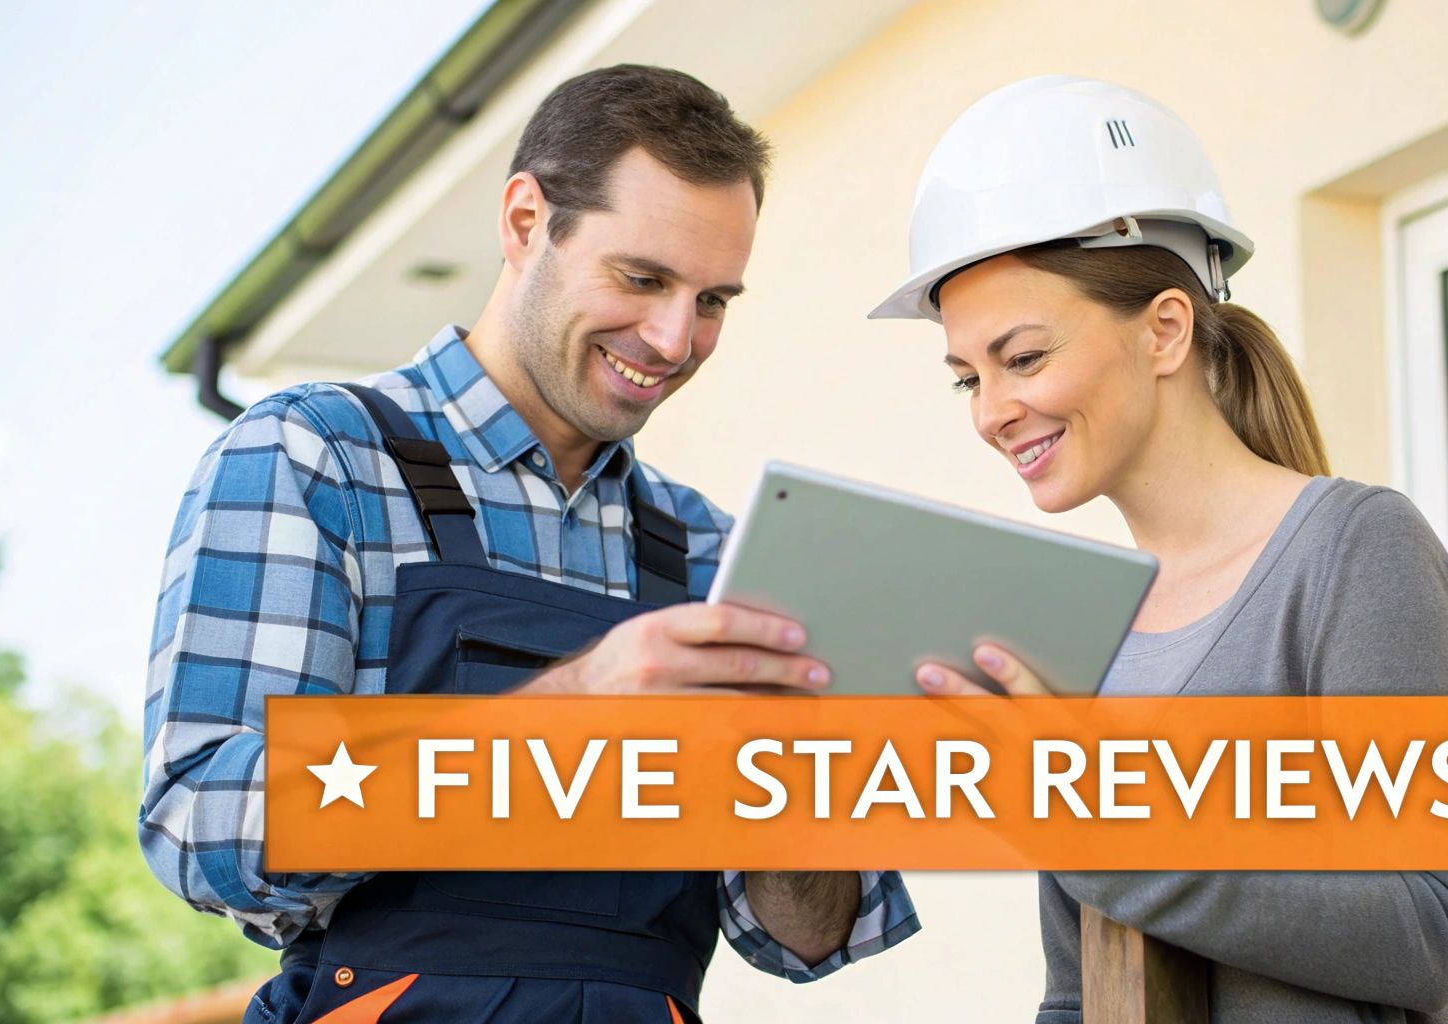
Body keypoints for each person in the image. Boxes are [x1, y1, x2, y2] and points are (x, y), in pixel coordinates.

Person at [142, 64, 916, 1024]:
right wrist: (567, 709)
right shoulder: (320, 457)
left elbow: (803, 936)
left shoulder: (710, 551)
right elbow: (200, 826)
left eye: (713, 300)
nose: (674, 338)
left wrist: (800, 776)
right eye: (643, 278)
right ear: (524, 222)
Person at [870, 75, 1448, 1023]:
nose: (991, 413)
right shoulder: (1082, 633)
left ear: (1164, 330)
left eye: (1023, 358)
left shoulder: (1354, 552)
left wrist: (1109, 833)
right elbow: (1076, 994)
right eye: (968, 378)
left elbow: (1428, 930)